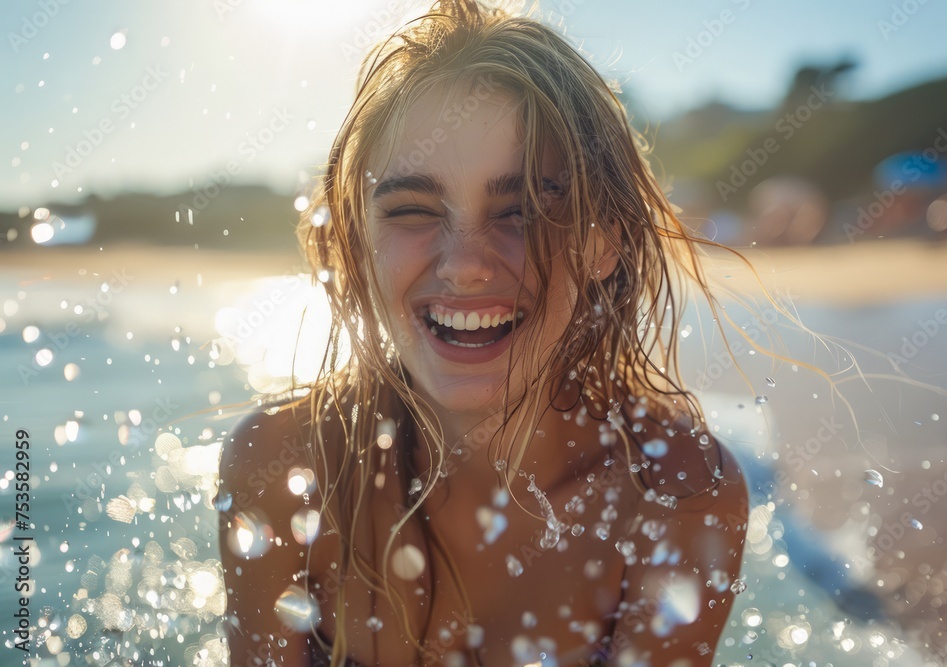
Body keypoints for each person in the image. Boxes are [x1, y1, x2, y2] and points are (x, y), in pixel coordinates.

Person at [217, 1, 748, 665]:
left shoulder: (675, 491)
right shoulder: (285, 464)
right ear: (354, 242)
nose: (465, 264)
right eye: (412, 209)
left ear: (603, 243)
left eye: (524, 210)